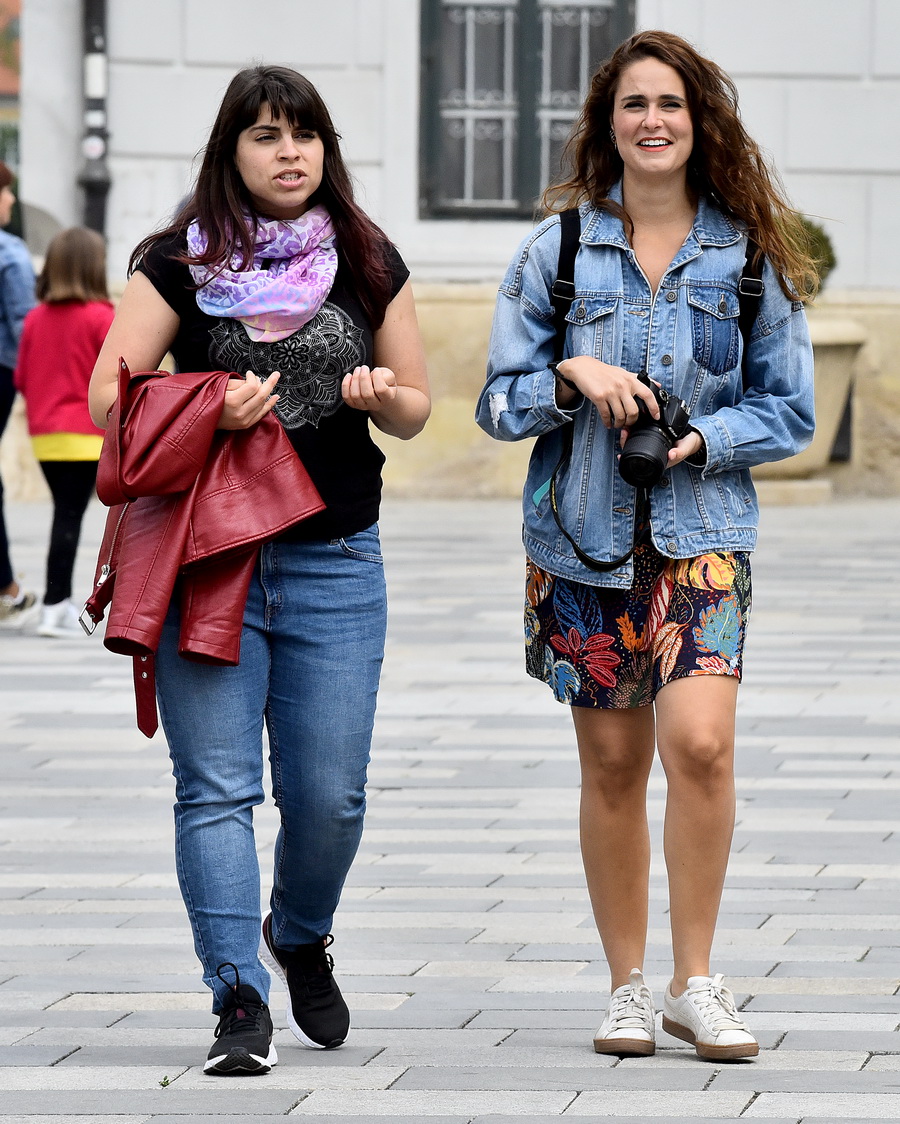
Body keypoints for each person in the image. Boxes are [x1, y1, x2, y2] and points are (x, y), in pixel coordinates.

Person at [476, 30, 815, 1062]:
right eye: (635, 104)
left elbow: (791, 409)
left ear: (698, 121)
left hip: (703, 534)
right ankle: (628, 987)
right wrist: (571, 374)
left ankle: (694, 980)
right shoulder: (557, 253)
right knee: (615, 766)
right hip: (580, 542)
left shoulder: (745, 255)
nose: (653, 120)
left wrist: (706, 435)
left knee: (701, 745)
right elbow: (497, 403)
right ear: (608, 123)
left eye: (671, 103)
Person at [88, 65, 430, 1074]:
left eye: (305, 134)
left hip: (337, 560)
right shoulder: (177, 262)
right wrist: (207, 405)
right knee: (216, 788)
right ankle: (237, 994)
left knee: (330, 796)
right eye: (266, 135)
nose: (290, 153)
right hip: (210, 560)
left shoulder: (367, 256)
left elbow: (417, 406)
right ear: (229, 152)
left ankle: (299, 930)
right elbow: (109, 397)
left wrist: (382, 398)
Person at [15, 227, 113, 637]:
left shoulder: (34, 319)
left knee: (64, 513)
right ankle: (55, 605)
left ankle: (57, 602)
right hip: (86, 434)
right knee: (69, 517)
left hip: (44, 435)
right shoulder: (102, 317)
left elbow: (22, 377)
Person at [0, 161, 38, 629]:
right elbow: (23, 328)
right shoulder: (9, 252)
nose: (10, 199)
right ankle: (5, 587)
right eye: (5, 191)